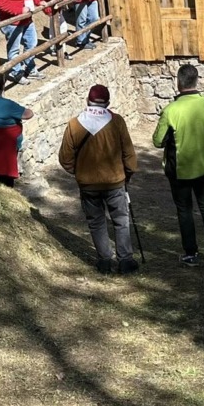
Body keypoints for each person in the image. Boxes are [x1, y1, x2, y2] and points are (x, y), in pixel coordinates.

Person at [58, 84, 139, 274]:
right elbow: (129, 153)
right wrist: (129, 172)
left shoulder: (74, 124)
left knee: (96, 222)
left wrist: (77, 172)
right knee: (121, 220)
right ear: (108, 102)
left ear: (88, 100)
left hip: (88, 183)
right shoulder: (117, 122)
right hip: (115, 181)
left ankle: (104, 261)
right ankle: (125, 260)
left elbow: (65, 157)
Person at [153, 64, 204, 266]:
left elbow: (157, 141)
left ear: (178, 82)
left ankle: (190, 252)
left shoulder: (170, 110)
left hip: (179, 169)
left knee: (185, 211)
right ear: (196, 80)